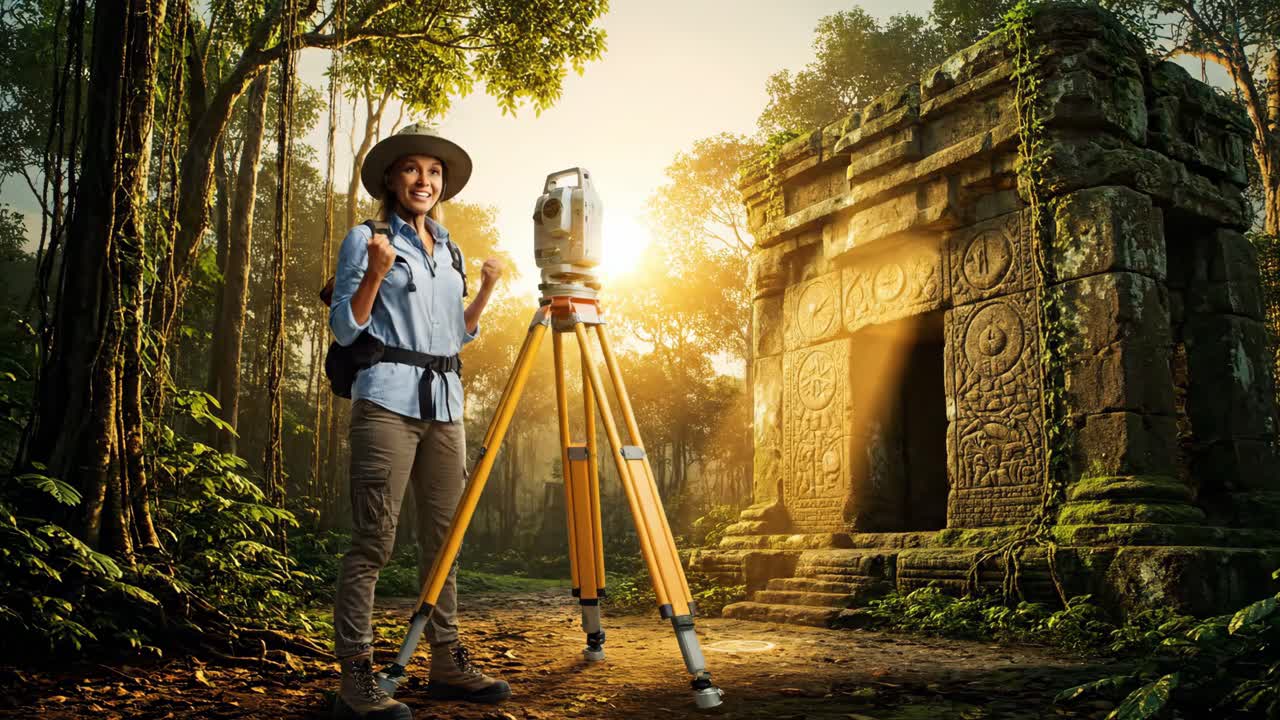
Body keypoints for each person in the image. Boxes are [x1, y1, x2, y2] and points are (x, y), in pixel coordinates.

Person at [328, 124, 508, 720]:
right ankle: (357, 675)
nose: (423, 180)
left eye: (433, 172)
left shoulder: (451, 249)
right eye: (412, 170)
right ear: (391, 179)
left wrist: (482, 291)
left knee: (446, 542)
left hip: (446, 407)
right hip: (385, 401)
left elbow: (458, 334)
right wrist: (377, 271)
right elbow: (345, 329)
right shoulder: (367, 238)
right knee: (374, 541)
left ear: (444, 184)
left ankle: (446, 661)